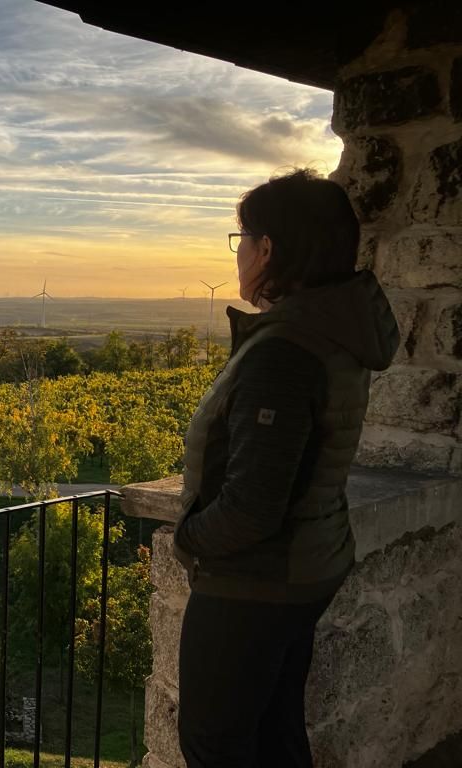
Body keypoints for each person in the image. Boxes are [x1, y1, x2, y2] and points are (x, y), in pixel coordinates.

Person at [172, 168, 400, 767]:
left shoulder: (283, 350)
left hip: (255, 581)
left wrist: (188, 538)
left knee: (215, 744)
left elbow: (253, 505)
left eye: (241, 239)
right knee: (275, 735)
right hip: (309, 563)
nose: (239, 253)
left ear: (268, 248)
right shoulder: (333, 332)